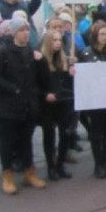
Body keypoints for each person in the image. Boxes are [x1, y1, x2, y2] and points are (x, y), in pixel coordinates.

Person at [0, 17, 46, 194]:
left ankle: (29, 172)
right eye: (21, 30)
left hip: (27, 105)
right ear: (13, 32)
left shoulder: (29, 50)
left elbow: (38, 77)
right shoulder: (0, 51)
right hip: (7, 105)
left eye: (27, 30)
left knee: (26, 140)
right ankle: (8, 175)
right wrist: (14, 89)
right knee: (7, 142)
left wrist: (40, 61)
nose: (25, 33)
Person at [79, 21, 106, 179]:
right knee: (96, 133)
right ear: (95, 35)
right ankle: (98, 164)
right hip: (94, 100)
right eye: (102, 34)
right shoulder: (86, 53)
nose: (104, 37)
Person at [36, 30, 75, 182]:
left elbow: (68, 84)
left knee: (65, 134)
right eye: (54, 40)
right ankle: (51, 167)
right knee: (49, 136)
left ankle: (60, 165)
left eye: (59, 39)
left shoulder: (65, 60)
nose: (58, 42)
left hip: (63, 102)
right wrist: (45, 95)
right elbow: (35, 84)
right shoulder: (41, 61)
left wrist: (72, 73)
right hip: (48, 104)